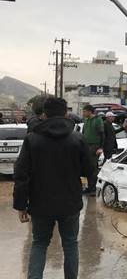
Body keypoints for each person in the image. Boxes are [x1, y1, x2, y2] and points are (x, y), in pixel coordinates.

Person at [13, 97, 92, 279]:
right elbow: (90, 170)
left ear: (44, 115)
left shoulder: (32, 139)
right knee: (70, 244)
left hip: (40, 204)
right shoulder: (77, 138)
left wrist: (21, 205)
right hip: (70, 203)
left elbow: (21, 175)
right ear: (66, 113)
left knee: (39, 243)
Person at [81, 104, 104, 196]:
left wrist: (101, 147)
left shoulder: (98, 120)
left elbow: (102, 134)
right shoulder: (86, 120)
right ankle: (89, 187)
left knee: (93, 167)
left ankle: (93, 189)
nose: (83, 113)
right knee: (87, 167)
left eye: (84, 111)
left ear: (90, 111)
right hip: (86, 146)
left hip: (94, 146)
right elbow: (83, 133)